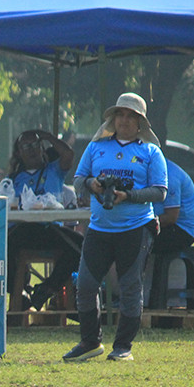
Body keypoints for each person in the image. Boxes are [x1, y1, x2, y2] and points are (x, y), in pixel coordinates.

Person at [64, 92, 167, 362]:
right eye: (120, 114)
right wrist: (92, 185)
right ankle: (89, 341)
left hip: (136, 228)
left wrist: (128, 196)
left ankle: (123, 346)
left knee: (130, 286)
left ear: (140, 122)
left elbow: (159, 192)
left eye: (130, 116)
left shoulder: (150, 152)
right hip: (99, 228)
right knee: (85, 283)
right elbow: (78, 178)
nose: (124, 120)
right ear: (113, 118)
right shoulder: (96, 147)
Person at [6, 129, 82, 310]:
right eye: (26, 146)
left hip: (49, 229)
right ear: (18, 152)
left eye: (35, 145)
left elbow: (69, 154)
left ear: (42, 148)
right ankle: (19, 295)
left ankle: (48, 288)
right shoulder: (13, 179)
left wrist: (48, 137)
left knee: (83, 247)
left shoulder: (54, 170)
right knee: (1, 248)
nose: (31, 150)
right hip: (22, 230)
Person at [153, 159, 194, 253]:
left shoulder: (169, 177)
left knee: (141, 242)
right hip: (169, 225)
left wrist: (145, 222)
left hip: (182, 229)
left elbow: (171, 218)